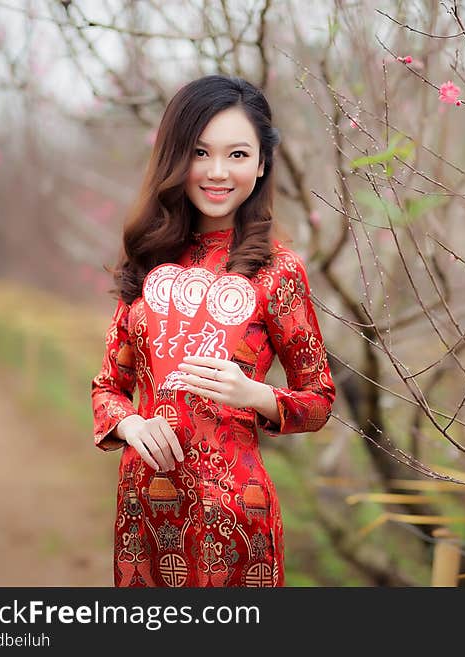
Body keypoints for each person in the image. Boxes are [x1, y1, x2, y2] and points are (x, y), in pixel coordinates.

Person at [91, 75, 336, 587]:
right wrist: (131, 426)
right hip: (147, 520)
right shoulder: (149, 260)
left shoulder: (277, 270)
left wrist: (255, 394)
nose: (218, 172)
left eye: (238, 155)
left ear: (263, 163)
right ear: (177, 159)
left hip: (237, 519)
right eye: (200, 153)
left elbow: (318, 399)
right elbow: (108, 388)